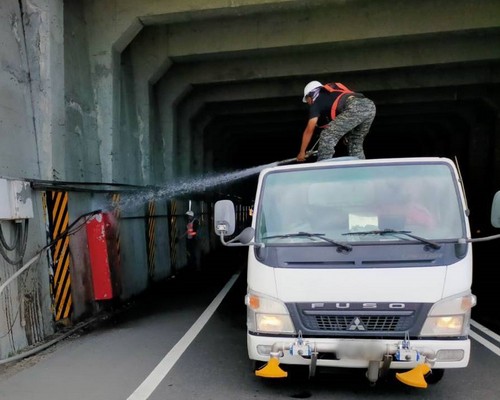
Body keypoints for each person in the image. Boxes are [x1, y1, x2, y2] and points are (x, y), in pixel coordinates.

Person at [297, 81, 376, 162]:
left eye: (307, 100)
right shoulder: (331, 94)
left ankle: (323, 167)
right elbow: (345, 120)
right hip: (369, 105)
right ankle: (361, 166)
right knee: (354, 140)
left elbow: (309, 130)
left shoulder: (316, 102)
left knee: (327, 134)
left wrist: (302, 152)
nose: (308, 103)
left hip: (354, 107)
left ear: (310, 96)